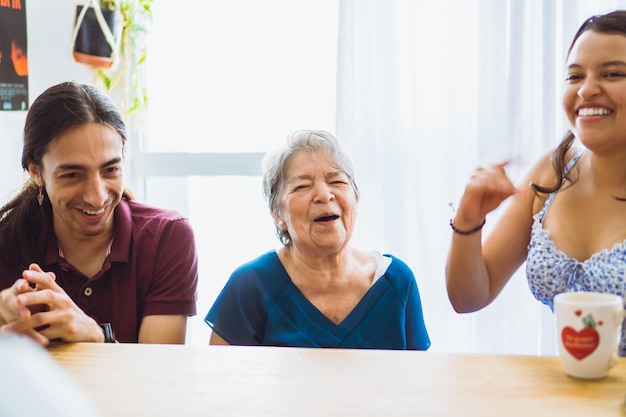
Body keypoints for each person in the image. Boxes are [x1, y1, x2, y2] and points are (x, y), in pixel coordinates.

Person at [445, 10, 626, 356]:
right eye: (574, 76)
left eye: (613, 73)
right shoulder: (550, 172)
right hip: (570, 393)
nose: (587, 89)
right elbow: (470, 296)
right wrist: (468, 219)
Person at [0, 81, 198, 346]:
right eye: (72, 175)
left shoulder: (167, 237)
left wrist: (96, 336)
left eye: (110, 170)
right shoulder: (7, 243)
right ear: (36, 171)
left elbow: (159, 377)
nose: (97, 196)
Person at [205, 130, 430, 350]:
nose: (324, 195)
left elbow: (418, 381)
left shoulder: (397, 281)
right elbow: (223, 382)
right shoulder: (250, 286)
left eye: (337, 182)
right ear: (277, 214)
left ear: (356, 199)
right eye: (302, 186)